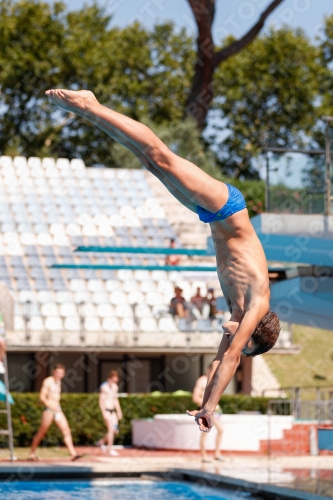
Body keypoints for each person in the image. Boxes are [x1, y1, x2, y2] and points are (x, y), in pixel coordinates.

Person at [45, 88, 281, 433]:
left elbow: (218, 362)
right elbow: (230, 360)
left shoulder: (236, 312)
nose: (235, 344)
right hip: (227, 208)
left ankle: (90, 113)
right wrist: (213, 407)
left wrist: (204, 407)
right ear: (254, 333)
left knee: (148, 161)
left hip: (209, 216)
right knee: (161, 155)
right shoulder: (255, 307)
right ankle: (91, 104)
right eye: (244, 345)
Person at [29, 364, 82, 461]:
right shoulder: (48, 381)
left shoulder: (58, 382)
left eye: (61, 373)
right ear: (53, 372)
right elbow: (42, 397)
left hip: (58, 409)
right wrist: (50, 405)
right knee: (41, 433)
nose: (59, 375)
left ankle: (73, 453)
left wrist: (56, 407)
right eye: (58, 372)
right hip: (49, 410)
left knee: (66, 430)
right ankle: (32, 453)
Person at [192, 365, 223, 462]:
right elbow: (195, 398)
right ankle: (204, 455)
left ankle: (216, 453)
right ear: (208, 369)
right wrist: (207, 405)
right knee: (205, 431)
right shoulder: (202, 381)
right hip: (205, 410)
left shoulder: (214, 381)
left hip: (214, 411)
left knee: (220, 430)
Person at [97, 370, 123, 456]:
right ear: (110, 378)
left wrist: (119, 411)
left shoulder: (115, 387)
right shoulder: (104, 387)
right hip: (107, 411)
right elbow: (101, 400)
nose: (115, 382)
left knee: (114, 430)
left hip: (113, 412)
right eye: (114, 380)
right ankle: (110, 449)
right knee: (110, 430)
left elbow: (115, 400)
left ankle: (101, 442)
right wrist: (104, 412)